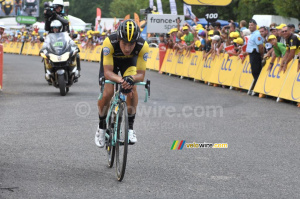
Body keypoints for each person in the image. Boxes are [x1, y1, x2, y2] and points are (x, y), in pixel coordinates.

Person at [95, 20, 149, 148]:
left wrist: (130, 79)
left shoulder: (143, 45)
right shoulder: (110, 42)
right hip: (111, 63)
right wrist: (121, 80)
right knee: (107, 93)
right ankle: (101, 127)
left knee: (132, 89)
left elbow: (141, 75)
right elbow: (108, 72)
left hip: (129, 63)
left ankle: (130, 128)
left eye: (131, 44)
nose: (127, 48)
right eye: (124, 43)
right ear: (119, 38)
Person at [245, 19, 264, 94]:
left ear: (255, 26)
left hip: (255, 54)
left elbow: (260, 46)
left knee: (256, 72)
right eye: (249, 25)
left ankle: (257, 89)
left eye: (251, 25)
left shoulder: (257, 34)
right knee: (254, 71)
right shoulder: (253, 34)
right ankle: (256, 88)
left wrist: (261, 55)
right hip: (252, 54)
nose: (250, 26)